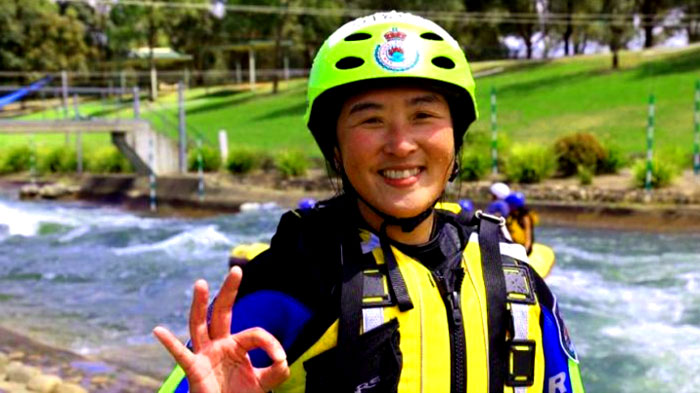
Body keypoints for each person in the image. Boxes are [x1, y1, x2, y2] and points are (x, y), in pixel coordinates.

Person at [154, 11, 584, 393]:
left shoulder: (512, 277)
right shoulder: (287, 282)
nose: (400, 145)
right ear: (336, 150)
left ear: (456, 139)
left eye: (423, 116)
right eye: (371, 119)